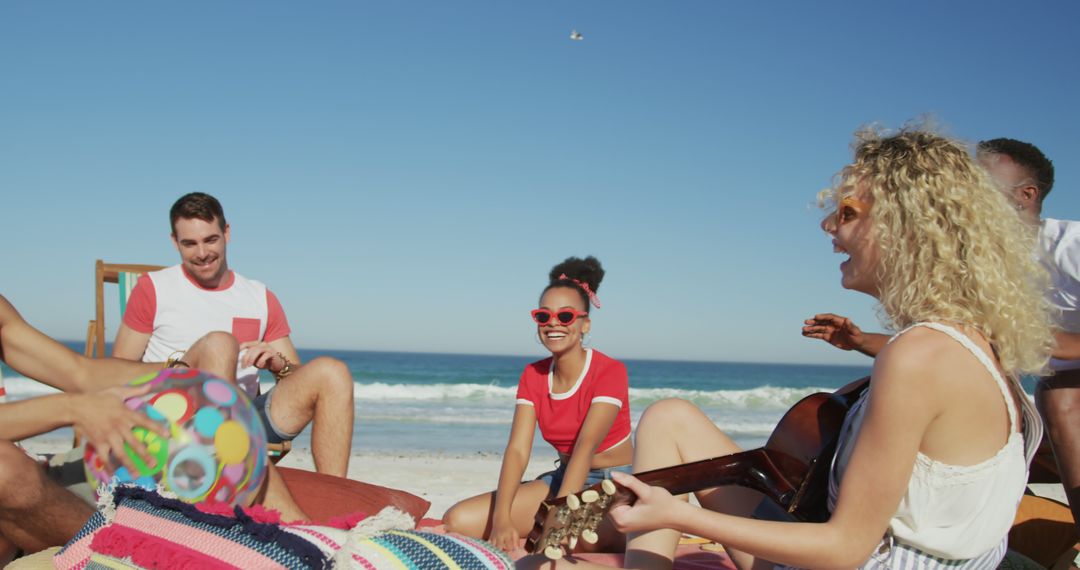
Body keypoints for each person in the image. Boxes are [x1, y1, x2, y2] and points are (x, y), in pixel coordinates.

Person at [522, 127, 1054, 569]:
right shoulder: (970, 344)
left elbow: (847, 547)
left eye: (848, 212)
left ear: (907, 226)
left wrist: (679, 516)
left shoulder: (917, 357)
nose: (828, 226)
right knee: (669, 417)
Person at [803, 137, 1080, 529]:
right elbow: (950, 353)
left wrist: (1042, 340)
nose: (963, 190)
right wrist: (860, 340)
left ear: (1027, 194)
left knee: (1059, 396)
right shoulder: (985, 265)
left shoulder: (1071, 247)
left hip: (1066, 383)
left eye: (980, 183)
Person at [0, 295, 307, 565]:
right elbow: (77, 398)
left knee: (218, 347)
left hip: (45, 475)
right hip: (13, 486)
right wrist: (70, 408)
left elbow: (80, 374)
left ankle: (305, 540)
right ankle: (152, 549)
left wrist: (181, 373)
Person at [112, 192, 355, 477]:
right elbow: (118, 371)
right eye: (189, 244)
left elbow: (294, 376)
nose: (202, 253)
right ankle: (222, 475)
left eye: (210, 239)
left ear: (227, 233)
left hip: (246, 421)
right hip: (174, 420)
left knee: (332, 372)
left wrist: (279, 365)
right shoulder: (154, 288)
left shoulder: (259, 297)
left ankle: (334, 491)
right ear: (174, 242)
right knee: (219, 344)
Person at [444, 256, 633, 553]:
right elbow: (518, 451)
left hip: (612, 485)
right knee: (458, 519)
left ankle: (612, 531)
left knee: (559, 540)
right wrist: (501, 518)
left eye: (566, 316)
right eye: (543, 317)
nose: (553, 324)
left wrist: (556, 522)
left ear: (585, 324)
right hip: (563, 479)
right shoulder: (533, 375)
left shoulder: (609, 371)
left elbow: (585, 447)